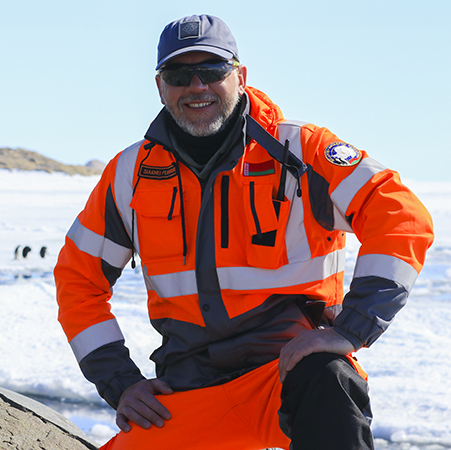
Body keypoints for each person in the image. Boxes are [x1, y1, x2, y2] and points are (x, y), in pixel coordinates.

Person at [54, 14, 434, 450]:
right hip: (188, 392)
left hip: (289, 376)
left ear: (240, 76)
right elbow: (77, 282)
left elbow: (400, 215)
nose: (197, 86)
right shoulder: (130, 174)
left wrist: (351, 329)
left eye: (213, 70)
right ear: (160, 87)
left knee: (330, 378)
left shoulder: (302, 152)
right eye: (179, 74)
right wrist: (119, 382)